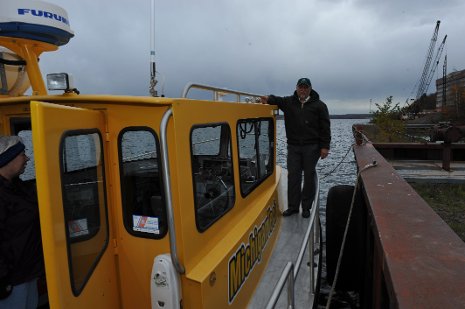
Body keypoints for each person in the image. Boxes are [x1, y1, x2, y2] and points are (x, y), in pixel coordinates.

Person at [261, 77, 331, 218]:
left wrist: (325, 147)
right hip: (293, 146)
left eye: (306, 87)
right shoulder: (289, 102)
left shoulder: (319, 105)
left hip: (312, 147)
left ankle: (306, 207)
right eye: (301, 87)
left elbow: (325, 128)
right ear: (297, 88)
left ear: (310, 89)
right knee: (293, 176)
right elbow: (277, 100)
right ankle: (293, 207)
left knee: (309, 177)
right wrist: (268, 98)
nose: (303, 90)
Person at [0, 136, 45, 309]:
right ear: (8, 159)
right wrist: (2, 280)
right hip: (11, 281)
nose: (27, 158)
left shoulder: (19, 187)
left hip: (29, 272)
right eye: (22, 154)